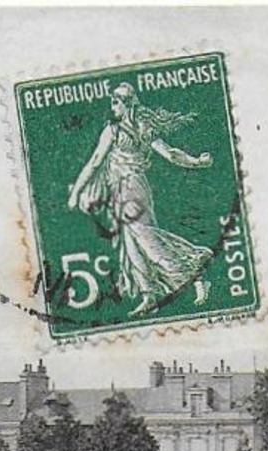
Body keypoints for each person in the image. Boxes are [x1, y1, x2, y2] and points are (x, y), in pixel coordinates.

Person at [67, 83, 215, 316]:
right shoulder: (141, 127)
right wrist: (196, 162)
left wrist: (76, 192)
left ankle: (192, 273)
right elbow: (170, 154)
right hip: (125, 189)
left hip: (130, 187)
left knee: (145, 238)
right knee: (132, 243)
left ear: (125, 105)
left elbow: (96, 161)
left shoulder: (115, 130)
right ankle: (150, 294)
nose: (112, 107)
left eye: (115, 102)